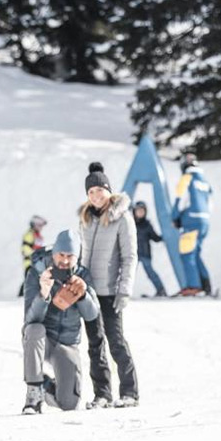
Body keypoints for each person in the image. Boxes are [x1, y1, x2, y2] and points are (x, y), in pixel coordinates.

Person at [79, 162, 139, 409]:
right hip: (89, 291)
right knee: (95, 344)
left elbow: (130, 257)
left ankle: (130, 392)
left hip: (111, 292)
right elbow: (82, 255)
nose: (96, 196)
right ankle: (102, 394)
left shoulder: (122, 218)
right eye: (91, 192)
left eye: (100, 190)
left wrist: (124, 290)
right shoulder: (85, 218)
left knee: (116, 341)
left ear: (108, 190)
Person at [22, 230, 99, 414]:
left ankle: (45, 385)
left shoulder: (82, 275)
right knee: (34, 330)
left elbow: (92, 315)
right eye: (61, 255)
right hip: (43, 340)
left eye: (70, 256)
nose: (64, 260)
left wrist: (83, 295)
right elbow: (30, 320)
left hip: (67, 343)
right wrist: (44, 293)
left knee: (69, 404)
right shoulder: (36, 272)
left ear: (76, 257)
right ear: (54, 253)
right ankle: (33, 394)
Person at [172, 153, 213, 296]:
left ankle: (194, 286)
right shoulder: (205, 182)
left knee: (187, 253)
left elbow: (180, 199)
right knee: (195, 254)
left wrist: (175, 217)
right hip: (204, 222)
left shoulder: (187, 178)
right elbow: (210, 204)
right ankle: (206, 285)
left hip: (191, 220)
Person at [133, 201, 166, 297]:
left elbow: (154, 237)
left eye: (142, 211)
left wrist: (163, 238)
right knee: (129, 273)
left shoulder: (147, 225)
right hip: (133, 254)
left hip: (145, 253)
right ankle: (121, 291)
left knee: (150, 272)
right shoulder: (130, 224)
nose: (140, 213)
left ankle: (161, 290)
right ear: (134, 212)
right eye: (138, 211)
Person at [18, 215, 47, 297]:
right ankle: (21, 295)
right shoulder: (29, 234)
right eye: (39, 225)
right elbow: (25, 248)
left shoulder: (38, 236)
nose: (41, 227)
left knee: (36, 279)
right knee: (29, 279)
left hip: (38, 262)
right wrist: (35, 253)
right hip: (30, 262)